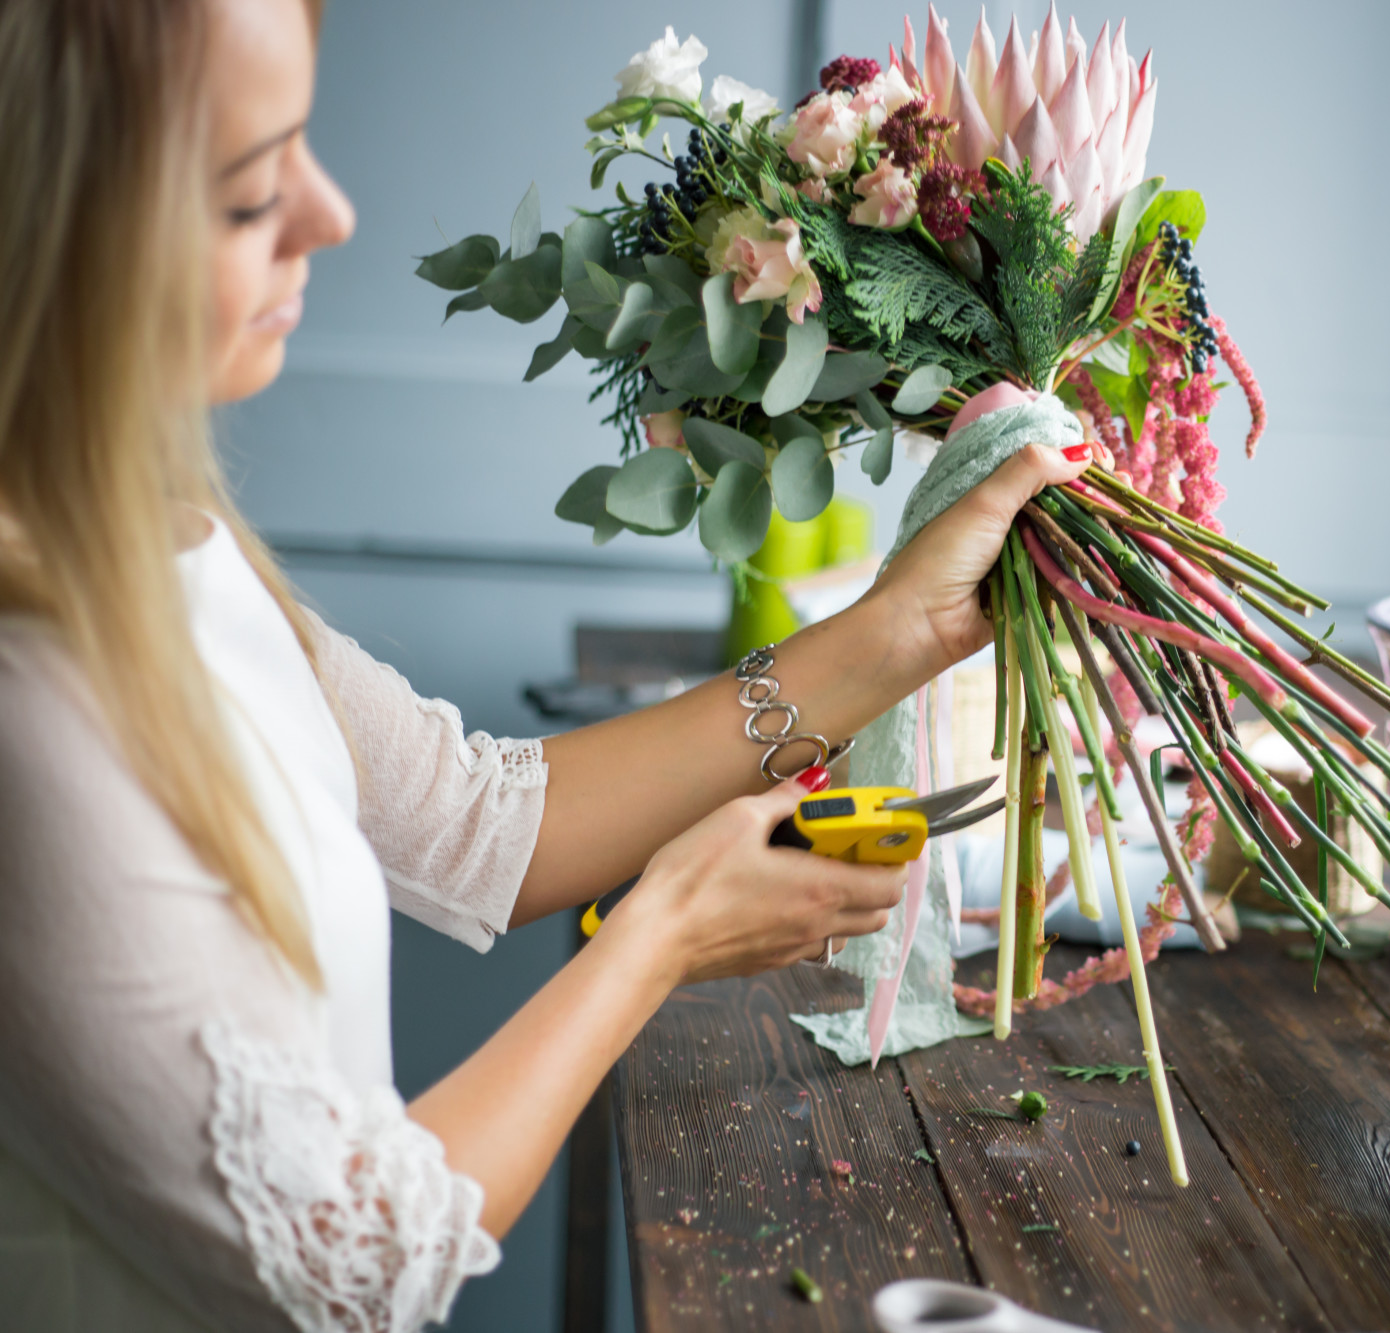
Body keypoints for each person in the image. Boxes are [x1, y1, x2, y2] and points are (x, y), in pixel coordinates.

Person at [0, 1, 1089, 1328]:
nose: (330, 214)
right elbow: (350, 1272)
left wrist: (902, 628)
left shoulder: (161, 539)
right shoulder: (30, 712)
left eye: (302, 146)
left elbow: (479, 821)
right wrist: (660, 933)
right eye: (245, 197)